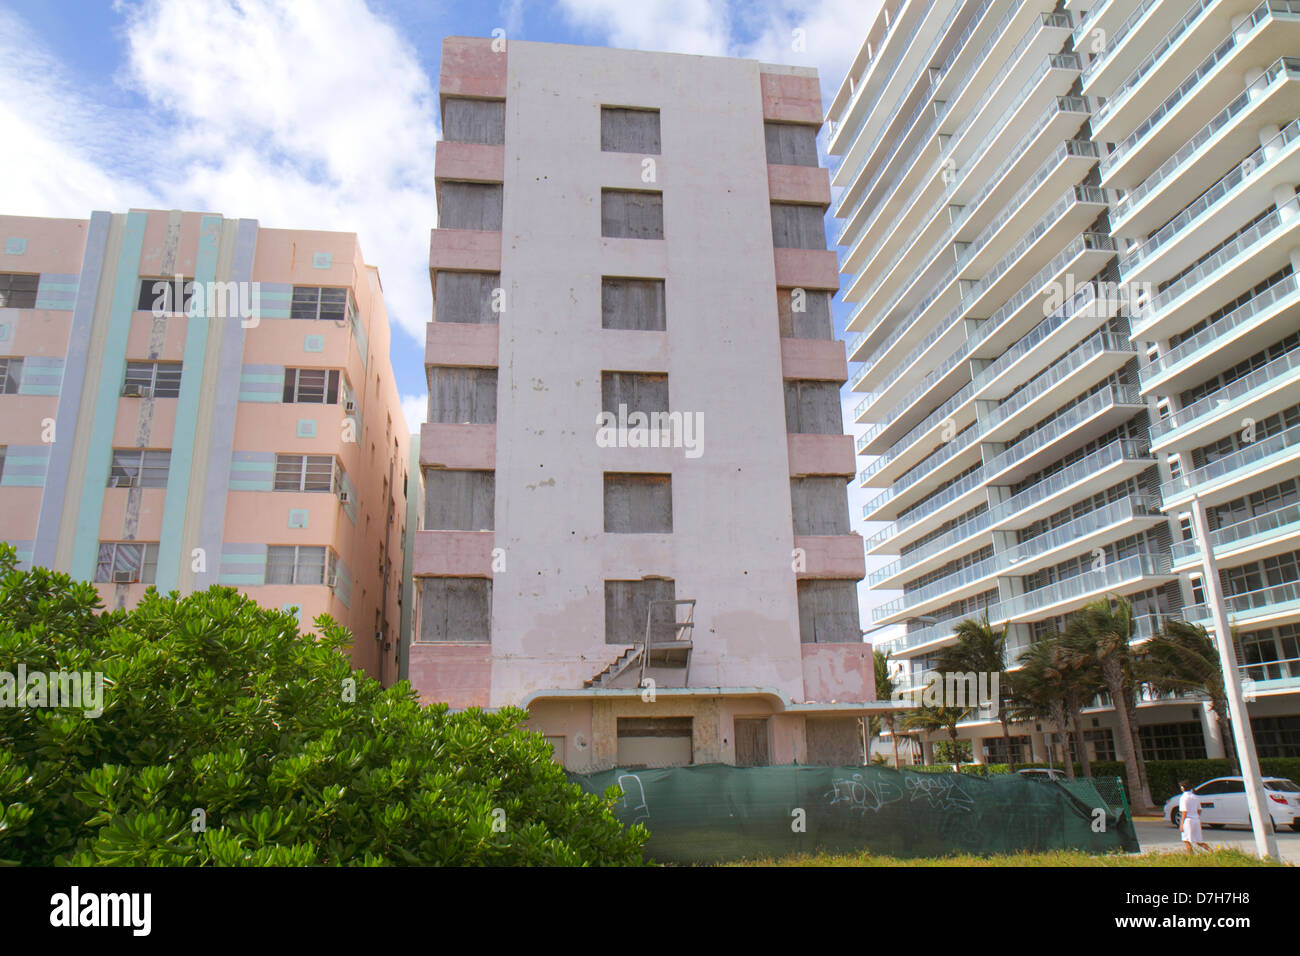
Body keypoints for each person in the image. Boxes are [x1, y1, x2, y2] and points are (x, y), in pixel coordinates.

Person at [1178, 780, 1211, 854]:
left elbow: (1184, 812)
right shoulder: (1195, 797)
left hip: (1187, 820)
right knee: (1199, 841)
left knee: (1186, 840)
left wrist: (1181, 824)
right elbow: (1199, 809)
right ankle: (1211, 851)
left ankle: (1191, 856)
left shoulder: (1183, 798)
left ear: (1182, 788)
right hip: (1196, 820)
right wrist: (1196, 816)